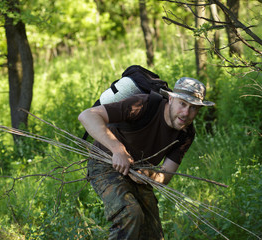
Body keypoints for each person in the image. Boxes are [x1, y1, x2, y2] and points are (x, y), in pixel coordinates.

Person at [78, 77, 215, 240]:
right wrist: (117, 149)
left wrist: (149, 175)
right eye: (182, 104)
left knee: (153, 234)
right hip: (105, 161)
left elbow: (165, 175)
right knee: (130, 213)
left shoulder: (186, 135)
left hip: (138, 172)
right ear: (171, 99)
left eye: (193, 108)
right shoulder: (143, 105)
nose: (186, 113)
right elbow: (87, 116)